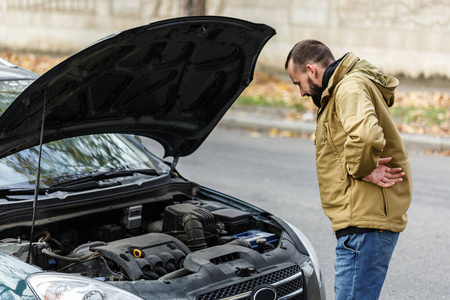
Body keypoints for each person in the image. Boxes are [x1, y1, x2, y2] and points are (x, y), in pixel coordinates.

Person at [285, 40, 412, 300]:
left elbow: (366, 136)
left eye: (298, 83)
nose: (300, 92)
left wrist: (362, 168)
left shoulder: (348, 88)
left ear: (311, 70)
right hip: (362, 221)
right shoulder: (340, 90)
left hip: (365, 223)